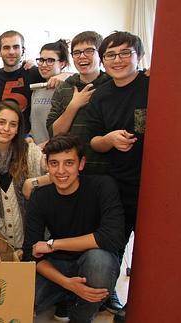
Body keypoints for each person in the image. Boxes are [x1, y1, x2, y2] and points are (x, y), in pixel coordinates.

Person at [23, 134, 125, 323]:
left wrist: (53, 244)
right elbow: (31, 253)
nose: (61, 171)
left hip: (92, 261)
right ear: (47, 165)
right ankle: (68, 295)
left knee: (100, 264)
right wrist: (69, 284)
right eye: (54, 163)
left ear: (81, 164)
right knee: (23, 297)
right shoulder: (40, 198)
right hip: (59, 266)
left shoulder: (102, 186)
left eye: (69, 163)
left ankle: (80, 315)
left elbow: (112, 237)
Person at [86, 31, 149, 320]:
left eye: (125, 53)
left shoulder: (153, 86)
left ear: (139, 56)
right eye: (110, 55)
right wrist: (109, 139)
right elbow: (93, 142)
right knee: (114, 243)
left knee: (151, 251)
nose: (118, 60)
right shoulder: (101, 95)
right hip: (116, 183)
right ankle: (109, 291)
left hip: (153, 184)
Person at [0, 100, 48, 250]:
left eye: (13, 124)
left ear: (18, 129)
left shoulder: (30, 152)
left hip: (32, 241)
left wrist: (33, 182)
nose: (6, 129)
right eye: (2, 122)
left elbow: (57, 175)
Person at [0, 30, 66, 145]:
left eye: (16, 47)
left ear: (23, 50)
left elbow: (62, 74)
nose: (11, 52)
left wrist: (65, 75)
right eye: (6, 47)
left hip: (25, 143)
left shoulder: (34, 73)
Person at [46, 31, 112, 175]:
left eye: (89, 51)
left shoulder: (112, 85)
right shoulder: (64, 88)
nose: (82, 56)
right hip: (71, 171)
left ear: (100, 54)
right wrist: (74, 105)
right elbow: (55, 133)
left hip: (106, 170)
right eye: (76, 52)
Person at [30, 39, 70, 145]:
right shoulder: (36, 90)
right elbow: (35, 125)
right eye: (41, 60)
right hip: (37, 152)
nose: (44, 65)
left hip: (59, 150)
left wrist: (66, 75)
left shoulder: (68, 88)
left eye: (50, 60)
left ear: (62, 63)